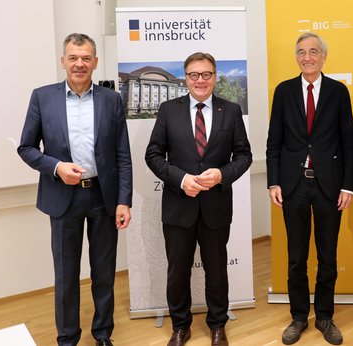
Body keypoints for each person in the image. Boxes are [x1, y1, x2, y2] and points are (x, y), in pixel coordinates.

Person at [17, 33, 133, 346]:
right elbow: (26, 148)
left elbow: (122, 154)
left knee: (104, 272)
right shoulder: (43, 97)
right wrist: (56, 167)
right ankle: (67, 338)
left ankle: (102, 334)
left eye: (85, 58)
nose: (79, 64)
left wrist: (124, 200)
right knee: (66, 275)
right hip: (62, 198)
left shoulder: (112, 100)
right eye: (73, 57)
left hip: (103, 198)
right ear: (63, 61)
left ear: (95, 62)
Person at [145, 52, 252, 346]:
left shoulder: (230, 111)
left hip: (216, 207)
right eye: (194, 75)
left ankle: (217, 325)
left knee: (217, 272)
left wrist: (222, 174)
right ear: (185, 78)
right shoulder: (169, 110)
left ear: (215, 77)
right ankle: (180, 326)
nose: (200, 80)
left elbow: (244, 155)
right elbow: (153, 155)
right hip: (178, 207)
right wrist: (180, 179)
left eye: (206, 74)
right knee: (177, 272)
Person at [266, 32, 353, 345]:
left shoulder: (338, 92)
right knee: (296, 257)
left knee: (328, 256)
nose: (307, 57)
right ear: (297, 57)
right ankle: (297, 316)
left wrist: (349, 185)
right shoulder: (284, 91)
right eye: (302, 52)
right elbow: (274, 141)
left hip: (329, 186)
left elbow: (348, 142)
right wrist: (273, 181)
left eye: (313, 52)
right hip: (292, 185)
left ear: (323, 56)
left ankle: (325, 316)